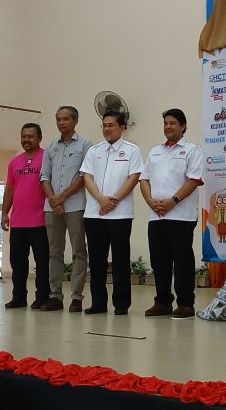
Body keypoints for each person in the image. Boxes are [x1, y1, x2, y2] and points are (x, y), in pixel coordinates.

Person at [139, 109, 204, 320]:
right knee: (159, 261)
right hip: (156, 215)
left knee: (182, 260)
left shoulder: (192, 150)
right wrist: (151, 202)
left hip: (181, 216)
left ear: (183, 126)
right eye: (166, 123)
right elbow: (143, 179)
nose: (168, 126)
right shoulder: (155, 151)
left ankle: (185, 304)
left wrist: (172, 202)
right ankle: (163, 302)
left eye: (173, 123)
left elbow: (194, 180)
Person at [80, 110, 143, 315]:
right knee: (96, 260)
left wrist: (113, 200)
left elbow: (134, 178)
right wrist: (100, 199)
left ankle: (121, 304)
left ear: (122, 127)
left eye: (111, 125)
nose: (107, 129)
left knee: (120, 259)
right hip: (94, 213)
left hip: (120, 214)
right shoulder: (94, 151)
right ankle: (98, 303)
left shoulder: (132, 150)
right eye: (104, 125)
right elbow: (87, 177)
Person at [39, 106, 93, 313]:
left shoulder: (85, 144)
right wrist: (54, 200)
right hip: (52, 207)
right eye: (58, 119)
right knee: (54, 251)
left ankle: (77, 297)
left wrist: (62, 197)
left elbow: (84, 175)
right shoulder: (51, 146)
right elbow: (44, 175)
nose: (61, 123)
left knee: (79, 250)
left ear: (75, 121)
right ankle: (55, 296)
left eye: (66, 119)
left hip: (75, 206)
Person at [2, 123, 51, 310]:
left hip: (40, 221)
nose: (26, 140)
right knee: (18, 263)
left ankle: (42, 297)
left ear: (39, 138)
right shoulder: (14, 162)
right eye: (23, 136)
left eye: (30, 136)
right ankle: (19, 297)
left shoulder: (47, 158)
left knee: (42, 262)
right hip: (18, 222)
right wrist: (4, 213)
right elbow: (10, 189)